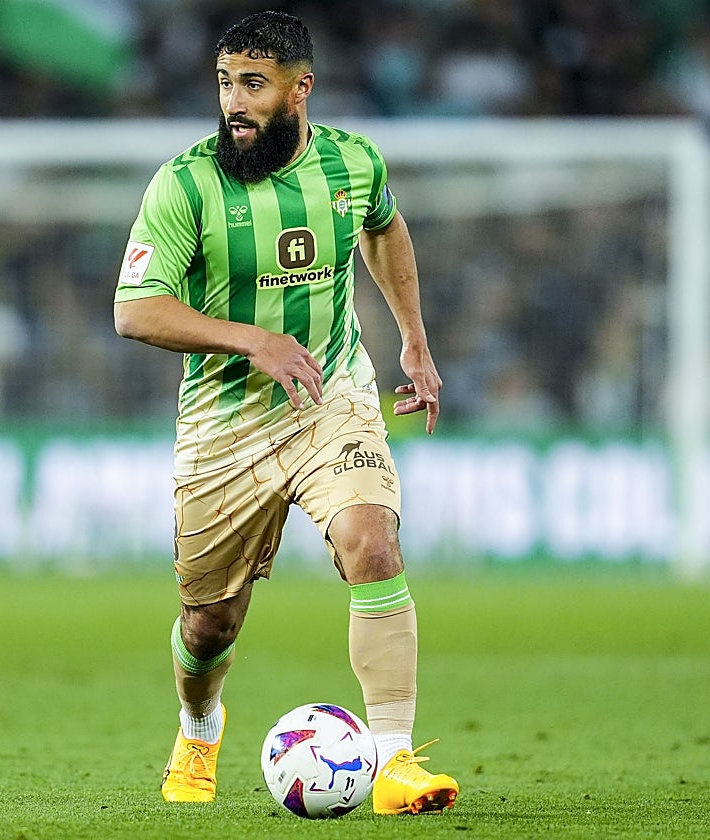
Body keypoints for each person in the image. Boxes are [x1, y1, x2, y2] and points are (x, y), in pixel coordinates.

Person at [112, 11, 458, 815]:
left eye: (253, 84)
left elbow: (384, 228)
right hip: (224, 423)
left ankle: (396, 762)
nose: (233, 102)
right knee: (210, 624)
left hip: (330, 397)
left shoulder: (353, 162)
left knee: (373, 541)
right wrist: (251, 341)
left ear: (300, 88)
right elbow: (135, 309)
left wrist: (413, 339)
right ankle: (199, 728)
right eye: (225, 82)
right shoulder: (184, 184)